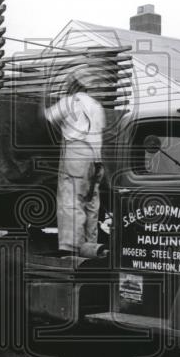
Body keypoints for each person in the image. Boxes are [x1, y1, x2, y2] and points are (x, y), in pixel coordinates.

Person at [43, 68, 106, 258]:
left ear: (73, 85)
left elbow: (48, 117)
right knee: (91, 202)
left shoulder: (69, 102)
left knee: (71, 199)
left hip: (76, 153)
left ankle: (72, 249)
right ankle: (90, 247)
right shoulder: (97, 106)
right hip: (96, 158)